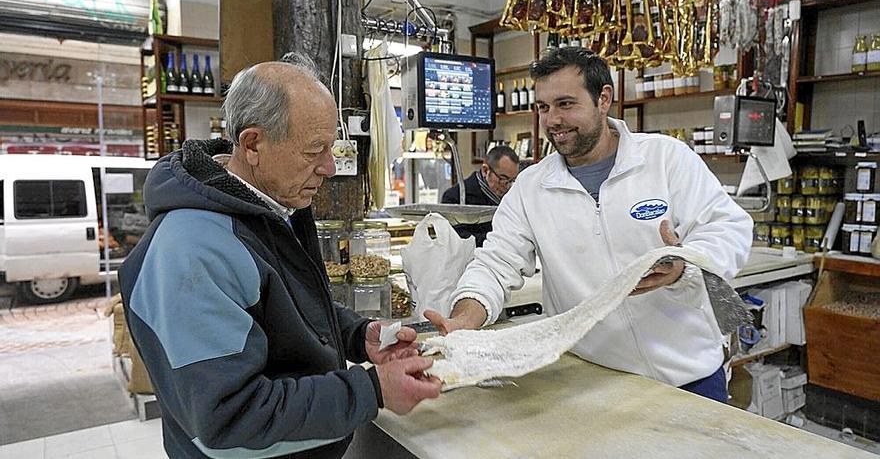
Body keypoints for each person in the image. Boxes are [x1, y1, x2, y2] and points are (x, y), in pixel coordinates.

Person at [119, 57, 441, 459]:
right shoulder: (191, 251)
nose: (328, 167)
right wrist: (373, 390)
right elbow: (229, 422)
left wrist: (358, 336)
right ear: (253, 144)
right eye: (314, 151)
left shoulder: (267, 208)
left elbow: (282, 311)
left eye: (332, 148)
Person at [425, 47, 752, 403]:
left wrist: (685, 265)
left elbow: (727, 228)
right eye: (543, 107)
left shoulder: (665, 159)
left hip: (689, 377)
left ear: (603, 99)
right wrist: (464, 319)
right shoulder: (531, 187)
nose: (552, 120)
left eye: (565, 104)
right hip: (594, 379)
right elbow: (496, 262)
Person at [440, 145, 520, 246]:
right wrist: (501, 240)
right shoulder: (455, 196)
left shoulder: (513, 196)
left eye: (512, 180)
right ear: (486, 170)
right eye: (503, 179)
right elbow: (457, 239)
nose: (508, 186)